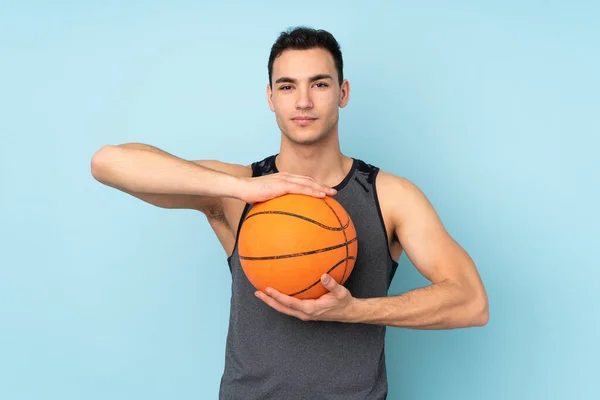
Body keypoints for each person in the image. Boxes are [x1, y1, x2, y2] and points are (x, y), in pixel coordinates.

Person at [91, 26, 489, 400]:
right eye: (287, 86)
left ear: (343, 92)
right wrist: (242, 187)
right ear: (270, 98)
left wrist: (355, 311)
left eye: (319, 83)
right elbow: (108, 162)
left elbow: (471, 302)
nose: (303, 101)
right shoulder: (238, 190)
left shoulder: (390, 195)